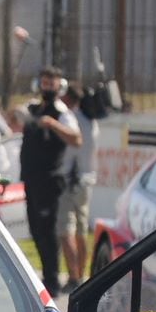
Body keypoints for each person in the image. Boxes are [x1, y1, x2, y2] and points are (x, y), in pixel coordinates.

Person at [17, 67, 81, 296]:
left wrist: (52, 125)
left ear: (59, 86)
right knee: (35, 230)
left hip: (49, 180)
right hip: (31, 178)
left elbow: (76, 139)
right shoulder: (33, 108)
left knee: (48, 232)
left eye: (51, 84)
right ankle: (46, 276)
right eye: (44, 83)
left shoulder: (61, 112)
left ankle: (52, 281)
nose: (47, 87)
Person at [57, 84, 98, 289]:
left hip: (69, 179)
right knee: (82, 230)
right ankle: (82, 275)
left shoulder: (70, 119)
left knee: (66, 229)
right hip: (87, 179)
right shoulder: (91, 121)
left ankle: (73, 277)